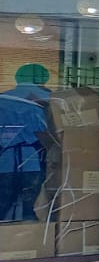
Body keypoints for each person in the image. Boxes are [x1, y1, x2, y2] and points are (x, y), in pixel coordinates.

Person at [0, 65, 53, 223]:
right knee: (32, 209)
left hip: (5, 163)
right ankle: (30, 235)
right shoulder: (48, 100)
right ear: (43, 78)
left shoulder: (4, 98)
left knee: (3, 206)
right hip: (33, 162)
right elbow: (47, 134)